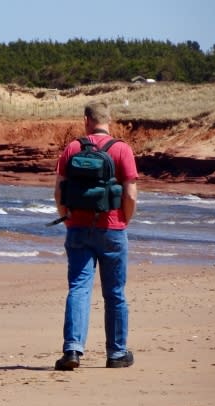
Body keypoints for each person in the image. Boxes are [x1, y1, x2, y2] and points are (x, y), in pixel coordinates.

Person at [53, 100, 138, 371]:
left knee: (79, 287)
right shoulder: (121, 149)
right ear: (108, 121)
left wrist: (67, 217)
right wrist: (124, 220)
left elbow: (58, 191)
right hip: (113, 229)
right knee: (114, 292)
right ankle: (116, 354)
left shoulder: (73, 148)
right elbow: (130, 194)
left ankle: (73, 349)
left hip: (77, 227)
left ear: (86, 120)